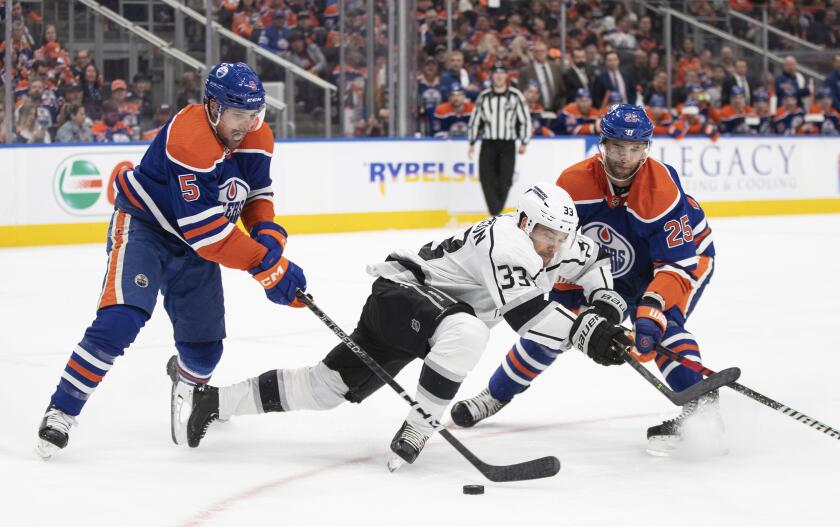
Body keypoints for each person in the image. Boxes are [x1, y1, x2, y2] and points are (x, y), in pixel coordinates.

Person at [177, 185, 630, 470]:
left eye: (560, 237)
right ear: (527, 222)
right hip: (402, 296)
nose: (554, 247)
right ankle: (420, 426)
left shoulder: (556, 242)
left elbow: (591, 261)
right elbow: (528, 319)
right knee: (471, 331)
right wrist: (586, 332)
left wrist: (605, 302)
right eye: (548, 235)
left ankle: (212, 401)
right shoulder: (510, 242)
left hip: (427, 318)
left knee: (324, 388)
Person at [35, 62, 307, 459]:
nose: (248, 124)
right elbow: (206, 233)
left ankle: (185, 381)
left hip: (199, 244)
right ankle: (62, 408)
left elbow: (256, 193)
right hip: (147, 228)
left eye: (255, 114)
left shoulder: (257, 134)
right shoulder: (190, 135)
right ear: (213, 107)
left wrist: (266, 235)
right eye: (238, 114)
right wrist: (266, 267)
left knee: (205, 349)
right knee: (121, 318)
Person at [452, 105, 723, 458]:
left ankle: (702, 413)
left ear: (646, 148)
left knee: (659, 326)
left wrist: (652, 303)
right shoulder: (575, 182)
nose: (625, 157)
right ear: (602, 144)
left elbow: (676, 264)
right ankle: (495, 394)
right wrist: (575, 305)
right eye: (617, 147)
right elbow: (560, 245)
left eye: (635, 148)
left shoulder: (661, 188)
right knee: (557, 325)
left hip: (679, 262)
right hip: (605, 267)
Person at [467, 61, 531, 216]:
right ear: (492, 75)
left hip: (507, 144)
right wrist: (472, 142)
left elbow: (524, 119)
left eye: (502, 73)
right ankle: (495, 214)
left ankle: (496, 213)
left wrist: (524, 141)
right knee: (486, 179)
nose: (499, 76)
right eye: (496, 73)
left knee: (505, 180)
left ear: (506, 76)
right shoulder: (484, 96)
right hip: (488, 143)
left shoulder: (515, 96)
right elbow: (476, 119)